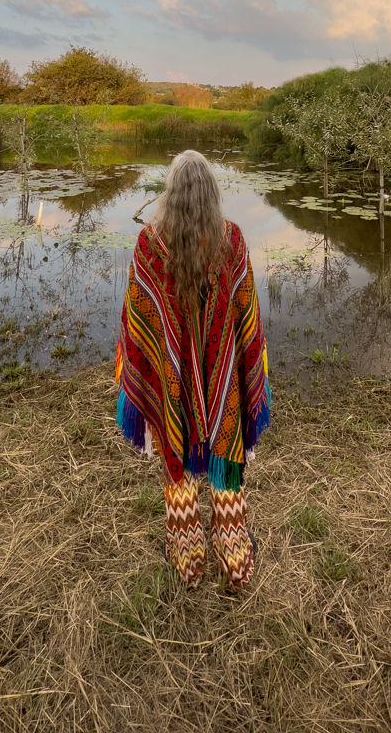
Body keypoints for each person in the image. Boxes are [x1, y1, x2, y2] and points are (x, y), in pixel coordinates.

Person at [115, 150, 271, 592]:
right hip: (224, 382)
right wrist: (239, 369)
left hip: (172, 381)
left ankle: (188, 558)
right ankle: (235, 557)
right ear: (212, 193)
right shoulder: (233, 239)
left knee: (176, 454)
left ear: (171, 192)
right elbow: (248, 318)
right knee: (227, 458)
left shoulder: (149, 244)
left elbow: (137, 319)